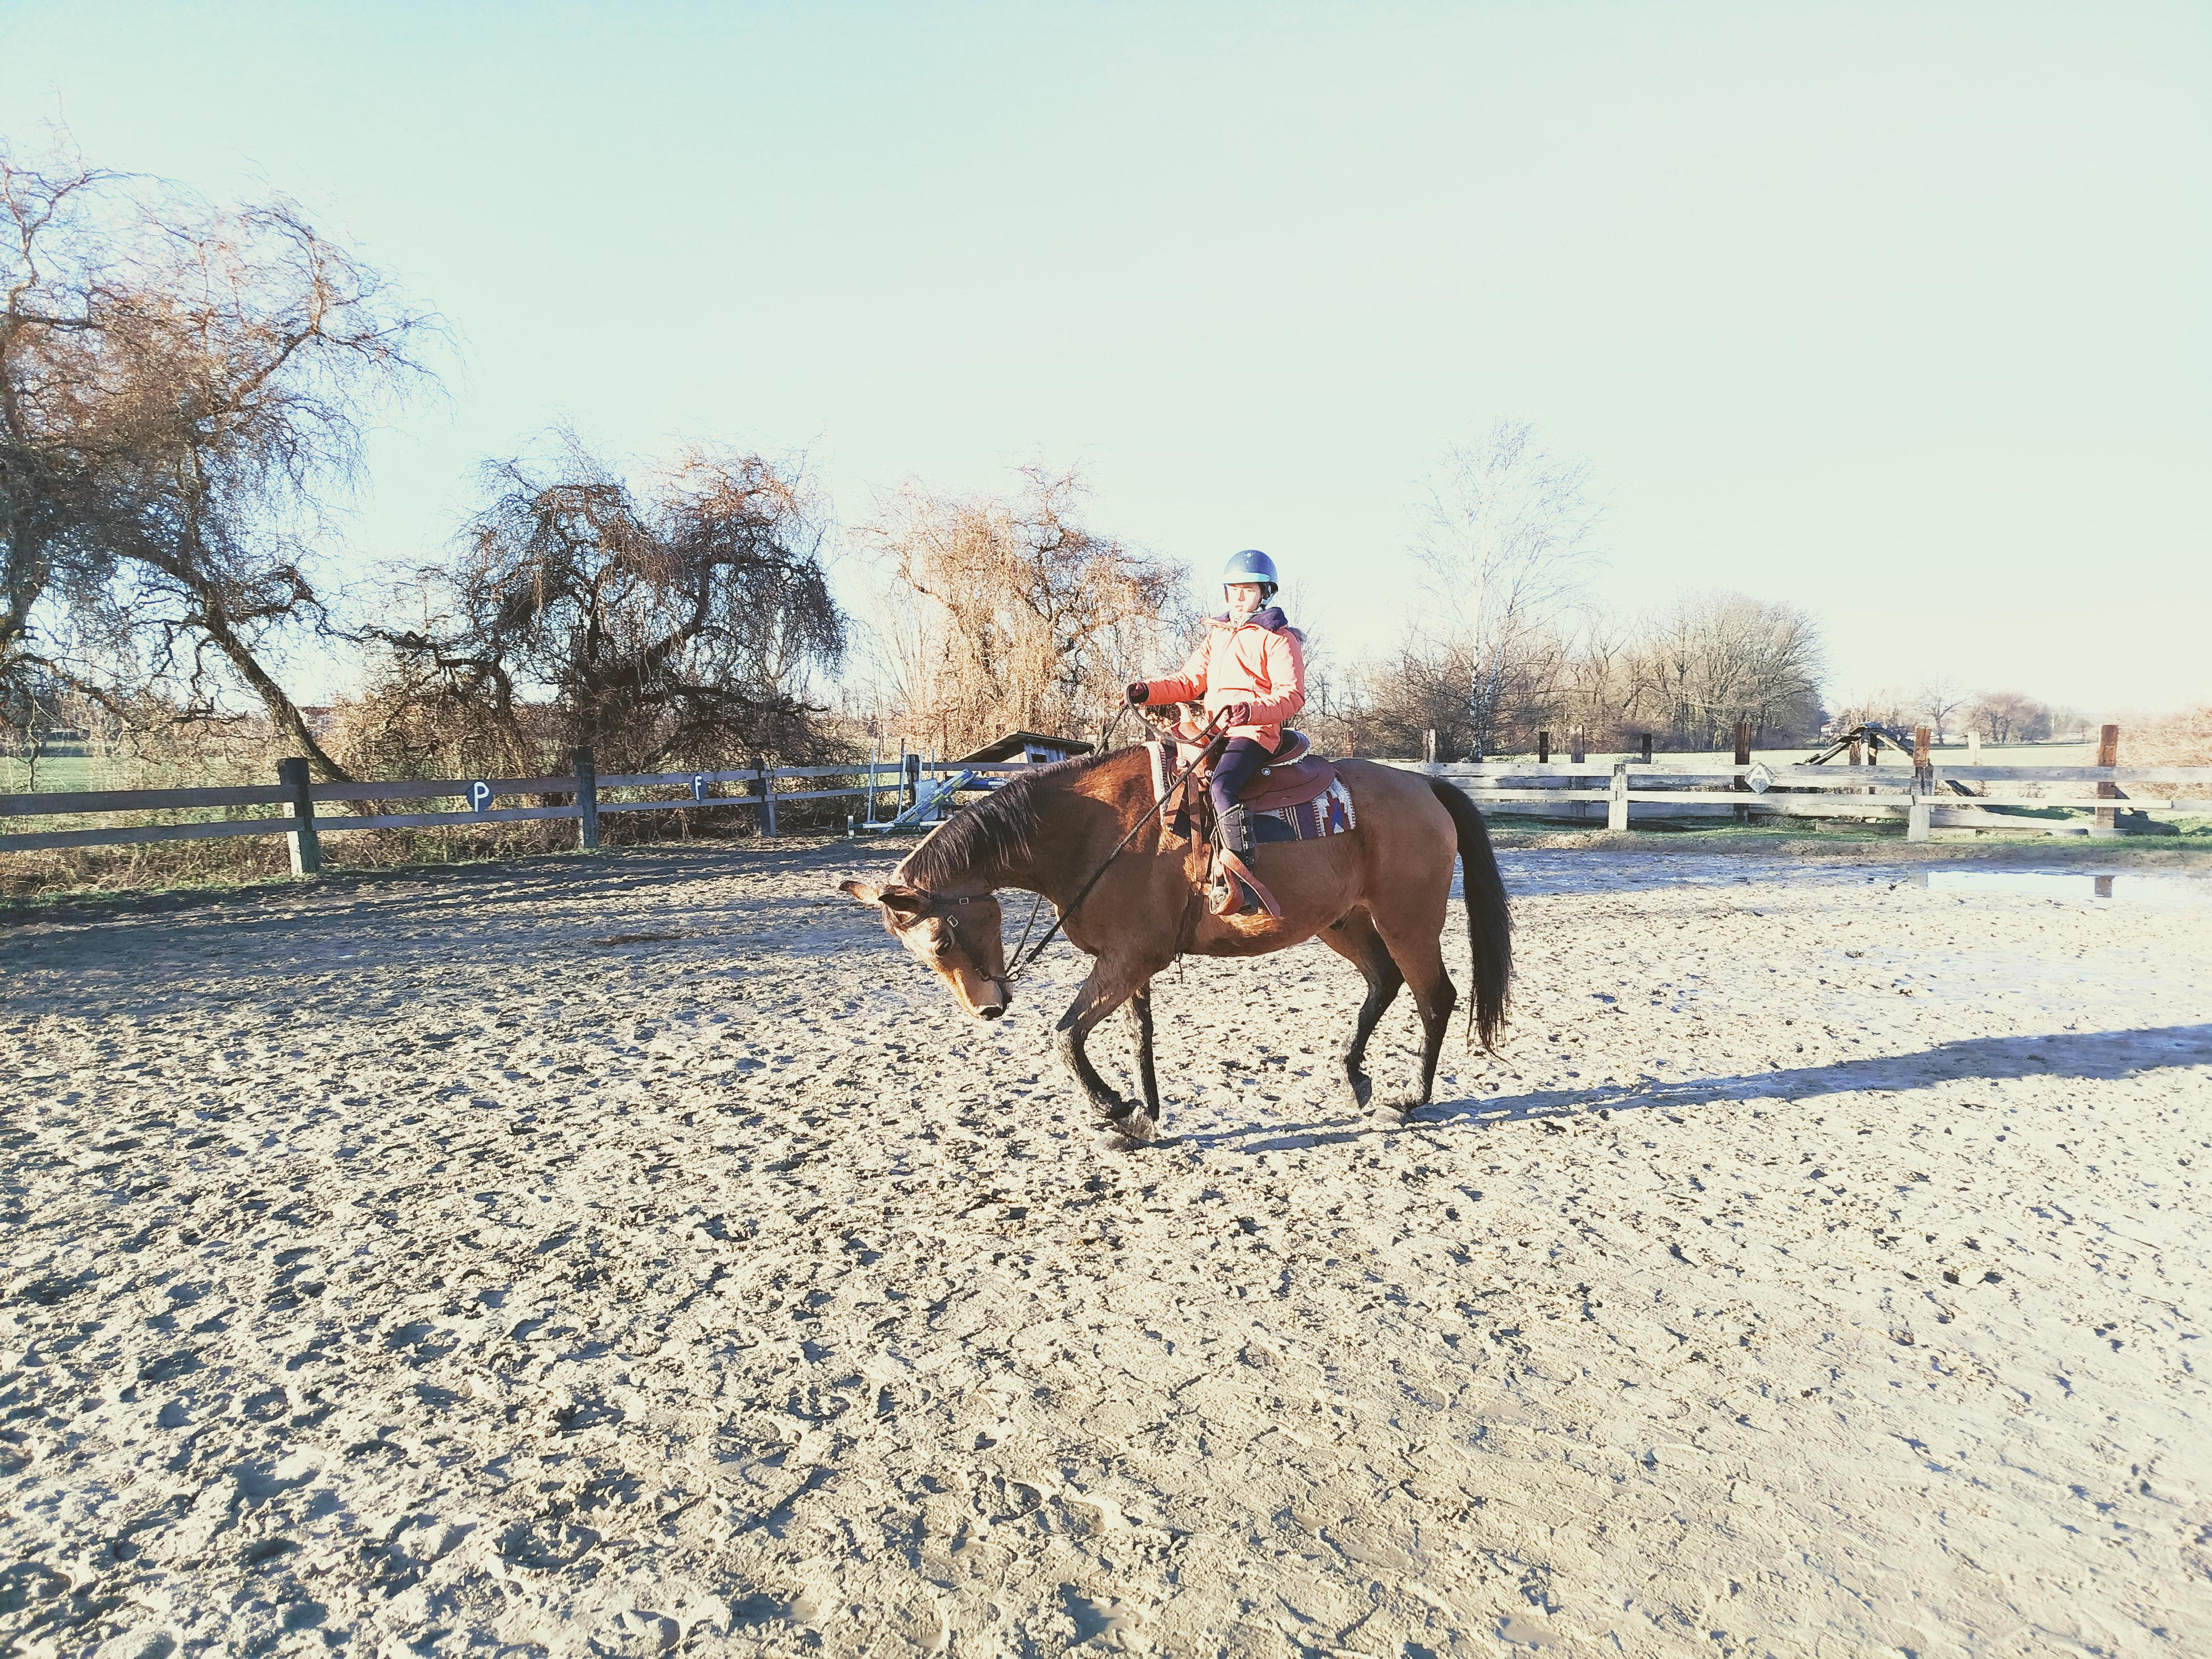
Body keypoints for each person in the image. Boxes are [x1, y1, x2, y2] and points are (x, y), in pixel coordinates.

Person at [1125, 550, 1307, 907]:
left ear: (1265, 593)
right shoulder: (1219, 636)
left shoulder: (1279, 638)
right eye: (1234, 589)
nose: (1239, 596)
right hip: (1212, 730)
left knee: (1223, 785)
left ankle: (1244, 881)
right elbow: (1190, 680)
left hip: (1253, 732)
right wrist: (1146, 691)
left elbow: (1293, 695)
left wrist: (1251, 711)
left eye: (1248, 589)